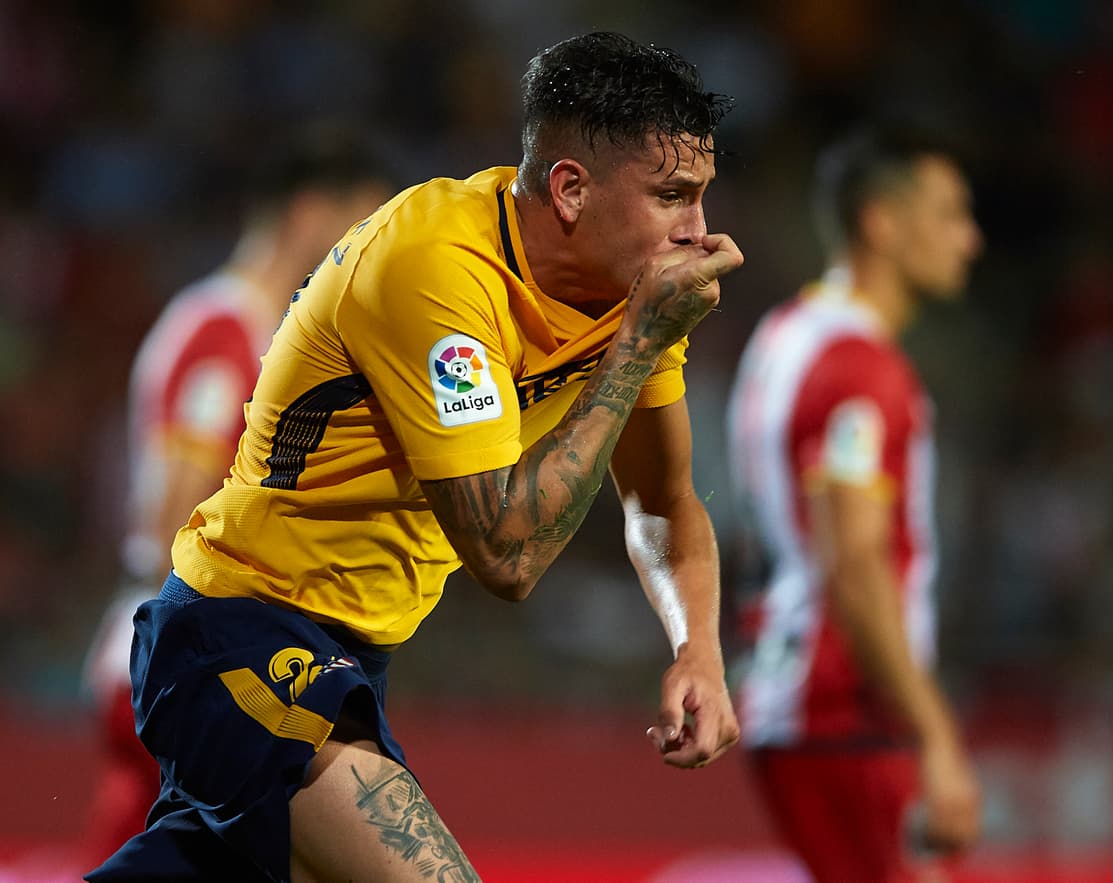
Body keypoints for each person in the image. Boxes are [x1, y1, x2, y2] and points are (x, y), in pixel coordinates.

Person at [88, 31, 743, 883]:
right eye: (672, 197)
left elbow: (661, 501)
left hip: (350, 654)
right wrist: (638, 345)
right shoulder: (437, 267)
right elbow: (506, 555)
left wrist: (698, 648)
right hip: (240, 630)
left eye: (701, 197)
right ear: (572, 189)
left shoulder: (629, 294)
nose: (698, 232)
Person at [79, 128, 395, 868]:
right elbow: (169, 517)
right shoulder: (227, 329)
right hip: (192, 650)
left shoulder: (259, 330)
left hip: (199, 646)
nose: (375, 251)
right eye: (366, 225)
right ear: (312, 211)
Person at [725, 124, 984, 882]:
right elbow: (855, 560)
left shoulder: (784, 335)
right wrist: (934, 730)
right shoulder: (862, 368)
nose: (968, 240)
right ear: (882, 221)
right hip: (845, 708)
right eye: (949, 214)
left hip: (790, 689)